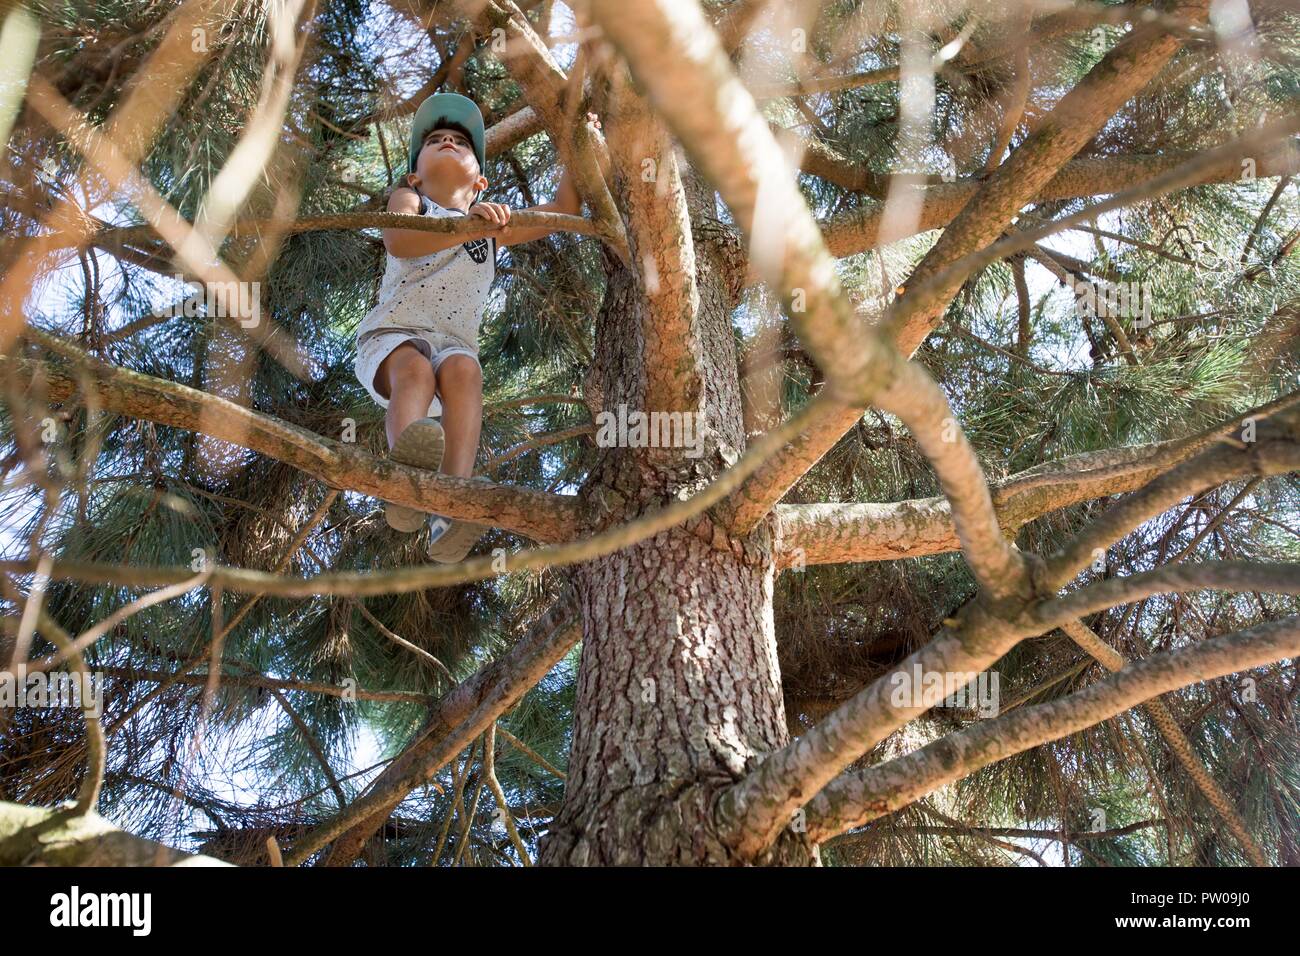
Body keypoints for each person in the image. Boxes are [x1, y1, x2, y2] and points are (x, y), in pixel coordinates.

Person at [352, 92, 597, 561]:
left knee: (465, 369)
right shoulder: (411, 199)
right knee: (417, 371)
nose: (447, 141)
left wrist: (577, 143)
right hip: (394, 336)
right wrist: (470, 228)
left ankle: (451, 505)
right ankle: (405, 485)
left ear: (481, 181)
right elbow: (400, 241)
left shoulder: (493, 226)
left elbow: (564, 209)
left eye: (459, 142)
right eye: (436, 140)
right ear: (415, 173)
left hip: (452, 346)